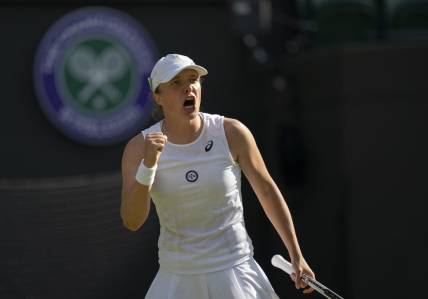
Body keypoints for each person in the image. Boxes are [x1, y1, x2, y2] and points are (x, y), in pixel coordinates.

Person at [120, 53, 315, 298]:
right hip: (177, 276)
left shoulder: (232, 132)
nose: (189, 87)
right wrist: (148, 166)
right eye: (176, 83)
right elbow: (132, 221)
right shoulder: (138, 148)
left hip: (235, 270)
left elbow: (266, 192)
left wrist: (297, 256)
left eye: (193, 80)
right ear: (158, 96)